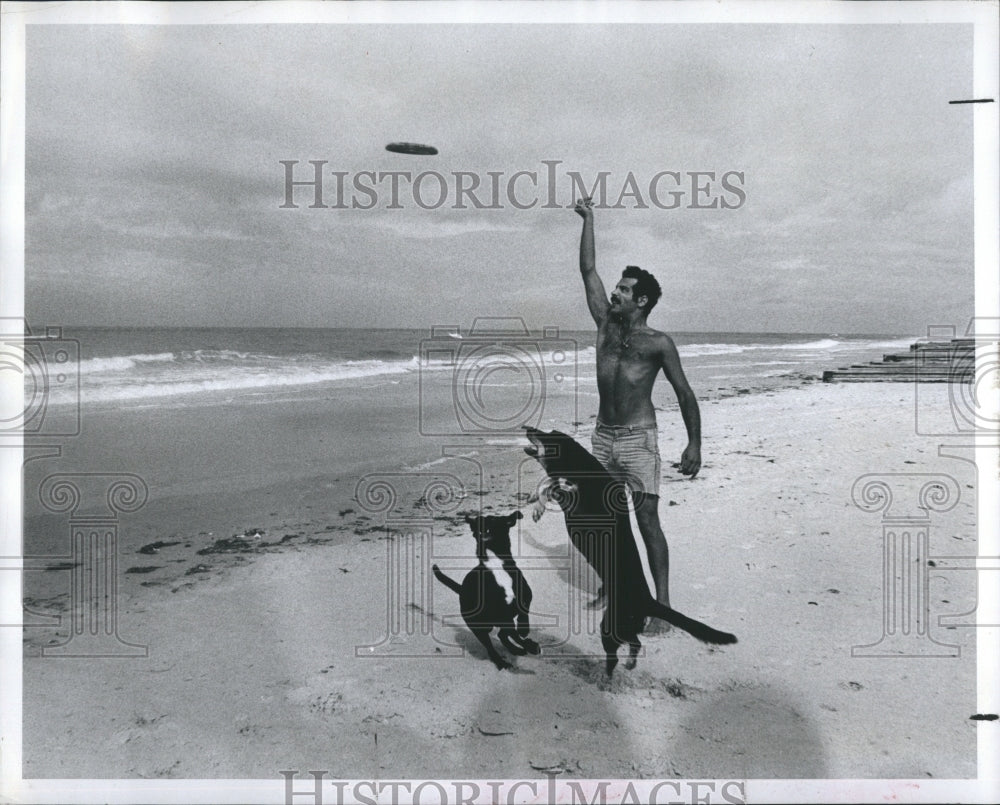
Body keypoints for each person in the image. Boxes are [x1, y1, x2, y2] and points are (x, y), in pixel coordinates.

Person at [573, 196, 701, 620]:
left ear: (641, 301)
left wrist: (693, 446)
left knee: (647, 521)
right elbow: (588, 271)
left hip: (638, 440)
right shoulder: (605, 326)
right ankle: (615, 584)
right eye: (619, 287)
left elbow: (684, 393)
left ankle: (662, 605)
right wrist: (590, 219)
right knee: (607, 521)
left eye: (625, 290)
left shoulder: (658, 343)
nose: (615, 292)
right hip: (602, 437)